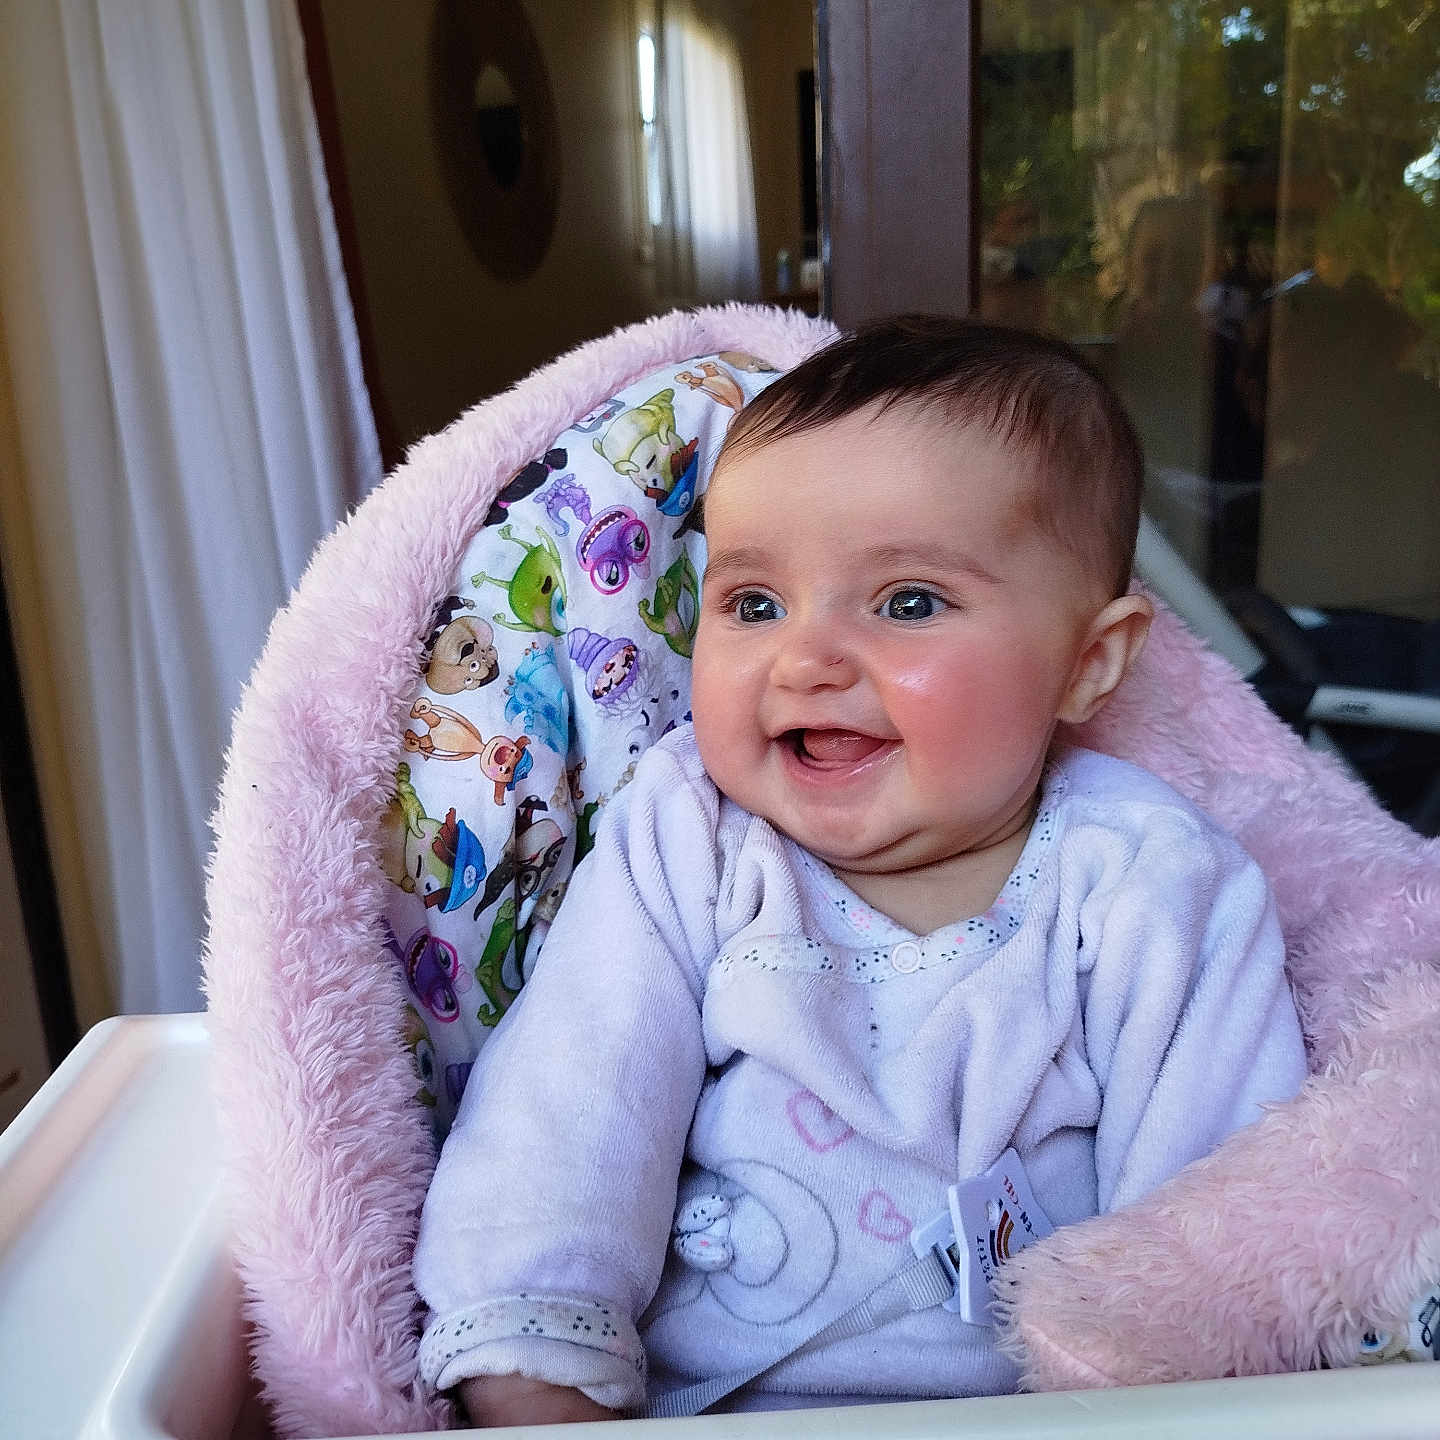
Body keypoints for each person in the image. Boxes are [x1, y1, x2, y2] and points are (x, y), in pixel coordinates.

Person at [412, 316, 1308, 1426]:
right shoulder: (690, 838)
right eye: (753, 603)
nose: (807, 657)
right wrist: (539, 1373)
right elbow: (567, 1113)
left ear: (1089, 664)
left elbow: (1222, 1229)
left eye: (908, 603)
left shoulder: (1155, 888)